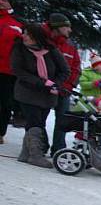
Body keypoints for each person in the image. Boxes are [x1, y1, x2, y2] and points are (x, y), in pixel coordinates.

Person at [11, 23, 68, 168]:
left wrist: (55, 83)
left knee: (38, 122)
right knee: (35, 121)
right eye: (24, 33)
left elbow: (64, 70)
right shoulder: (19, 49)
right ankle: (36, 155)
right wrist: (42, 82)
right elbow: (18, 71)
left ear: (37, 37)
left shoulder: (51, 49)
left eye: (28, 35)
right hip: (27, 92)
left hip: (48, 95)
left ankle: (25, 153)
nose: (24, 37)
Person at [43, 13, 80, 155]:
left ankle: (58, 149)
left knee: (62, 121)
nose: (70, 30)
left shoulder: (70, 45)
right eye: (67, 27)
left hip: (64, 89)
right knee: (39, 119)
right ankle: (40, 145)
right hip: (45, 88)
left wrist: (69, 85)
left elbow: (76, 68)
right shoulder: (45, 41)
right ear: (58, 27)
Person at [0, 0, 22, 144]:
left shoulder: (17, 24)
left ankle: (0, 133)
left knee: (5, 103)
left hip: (7, 71)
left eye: (4, 0)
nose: (1, 1)